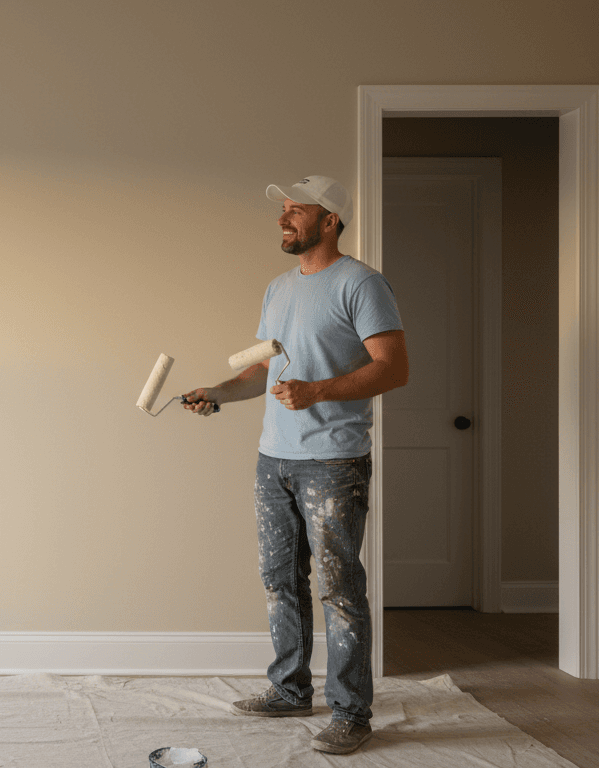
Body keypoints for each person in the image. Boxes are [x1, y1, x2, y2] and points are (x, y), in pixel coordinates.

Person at [182, 175, 408, 756]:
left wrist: (320, 392)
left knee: (339, 587)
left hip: (333, 461)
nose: (283, 220)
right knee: (279, 580)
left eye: (295, 211)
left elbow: (393, 368)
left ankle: (352, 713)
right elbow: (264, 370)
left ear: (329, 220)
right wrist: (215, 391)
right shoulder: (278, 288)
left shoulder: (361, 283)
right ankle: (289, 690)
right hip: (274, 458)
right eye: (282, 211)